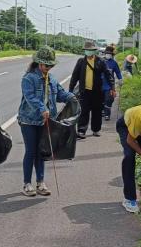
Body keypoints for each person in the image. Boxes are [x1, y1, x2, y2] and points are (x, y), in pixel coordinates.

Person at [18, 46, 76, 197]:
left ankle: (40, 183)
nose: (49, 68)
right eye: (46, 65)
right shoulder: (28, 78)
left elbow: (60, 94)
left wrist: (72, 97)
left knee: (42, 151)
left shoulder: (51, 79)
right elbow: (30, 98)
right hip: (29, 121)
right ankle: (27, 184)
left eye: (51, 65)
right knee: (31, 151)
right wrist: (42, 108)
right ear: (39, 63)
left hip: (46, 121)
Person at [69, 41, 115, 138]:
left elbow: (108, 75)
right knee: (84, 111)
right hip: (84, 92)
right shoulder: (81, 61)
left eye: (91, 50)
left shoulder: (100, 61)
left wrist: (112, 88)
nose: (89, 52)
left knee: (97, 111)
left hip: (98, 92)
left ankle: (96, 130)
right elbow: (74, 77)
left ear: (94, 51)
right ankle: (81, 130)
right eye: (87, 50)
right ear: (85, 51)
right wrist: (70, 90)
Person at [102, 45, 123, 121]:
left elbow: (118, 72)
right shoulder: (100, 61)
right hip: (99, 85)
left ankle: (107, 114)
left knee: (109, 99)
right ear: (105, 54)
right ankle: (103, 111)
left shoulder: (114, 63)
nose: (108, 55)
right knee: (101, 100)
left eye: (110, 54)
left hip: (109, 86)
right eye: (107, 53)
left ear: (112, 55)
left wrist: (120, 79)